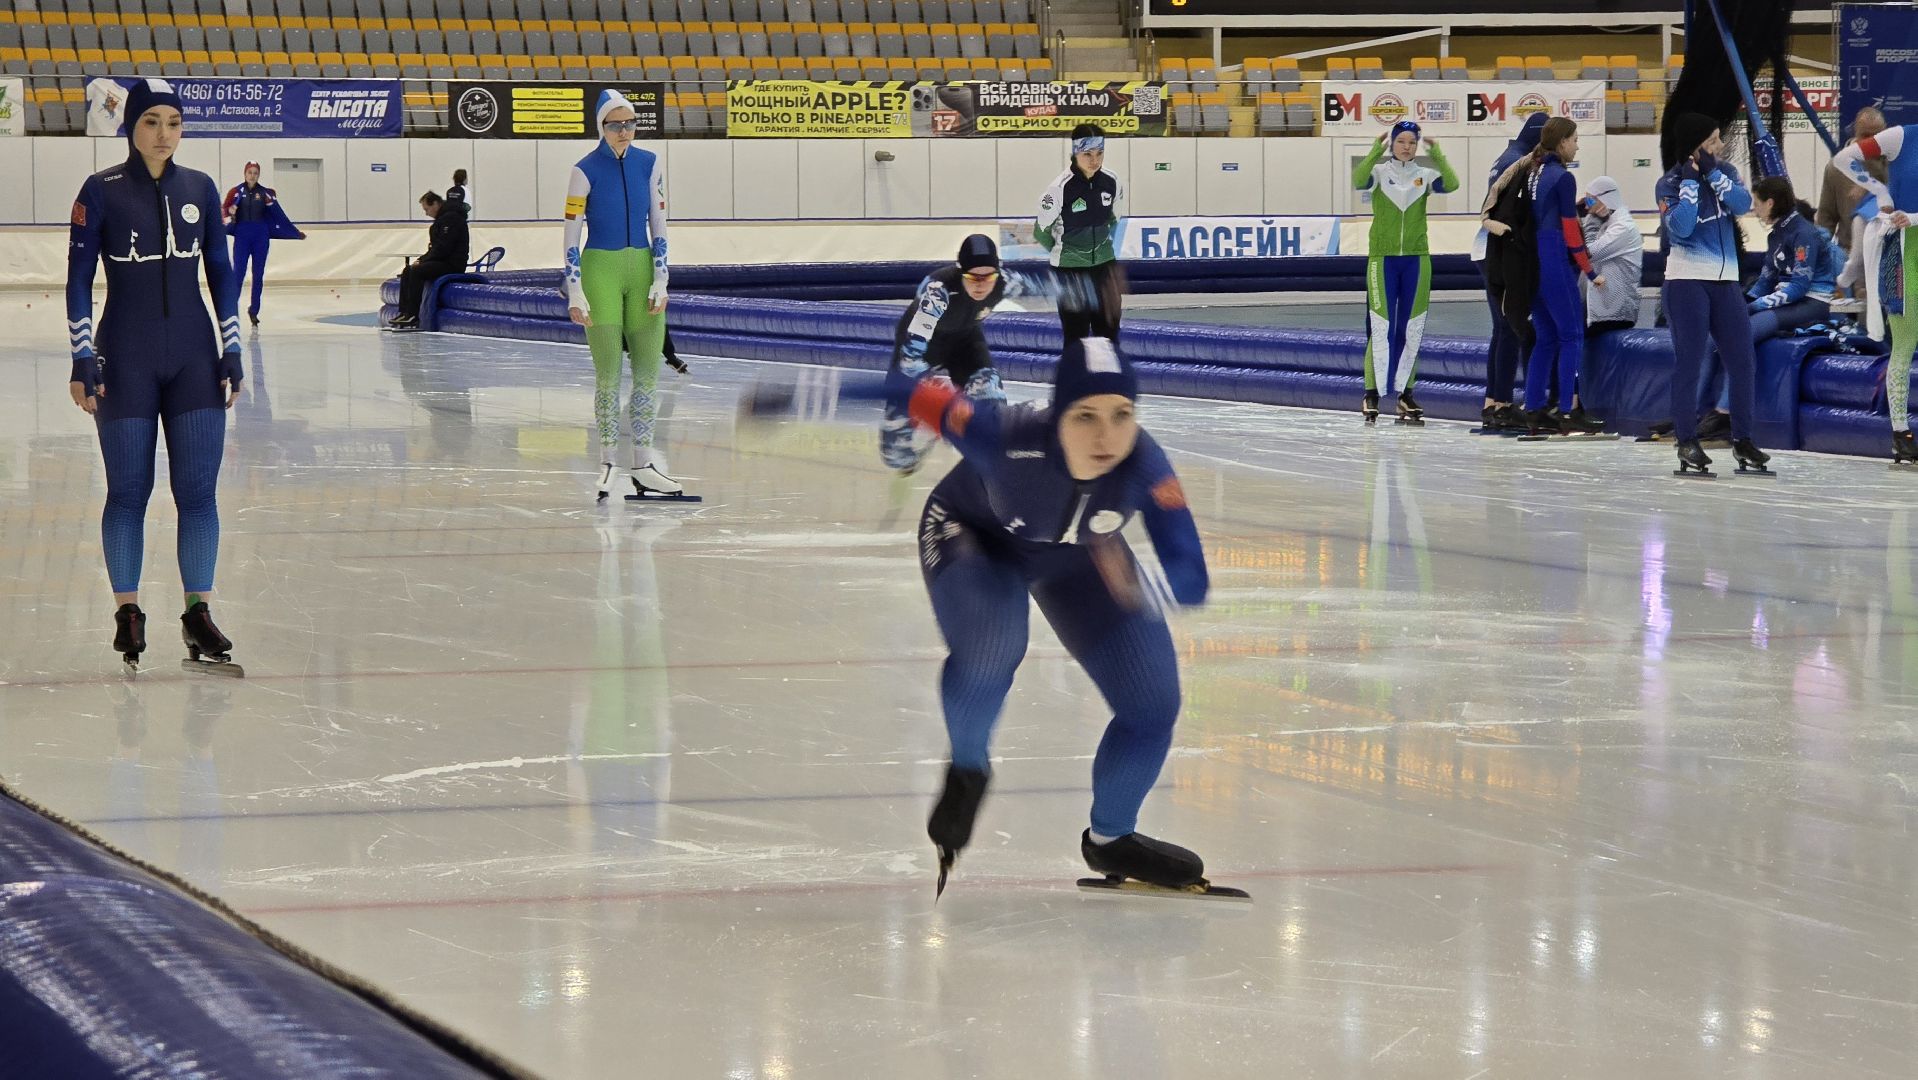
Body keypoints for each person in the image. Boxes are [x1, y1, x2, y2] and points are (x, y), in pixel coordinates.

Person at [892, 337, 1221, 894]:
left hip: (1081, 558)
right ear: (1056, 415)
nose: (1105, 436)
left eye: (1122, 416)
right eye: (1085, 416)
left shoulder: (1145, 463)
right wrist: (791, 397)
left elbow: (1191, 576)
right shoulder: (1002, 433)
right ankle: (968, 769)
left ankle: (1112, 838)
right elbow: (905, 391)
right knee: (994, 648)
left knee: (1153, 705)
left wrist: (1148, 592)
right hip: (974, 536)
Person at [65, 78, 244, 673]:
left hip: (194, 358)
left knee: (198, 495)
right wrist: (82, 358)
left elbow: (220, 270)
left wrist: (233, 348)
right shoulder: (102, 190)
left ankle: (198, 614)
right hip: (126, 357)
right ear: (130, 126)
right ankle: (129, 613)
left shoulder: (201, 186)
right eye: (150, 122)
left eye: (173, 122)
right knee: (127, 493)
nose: (163, 134)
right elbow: (77, 282)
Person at [878, 233, 1098, 474]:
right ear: (960, 271)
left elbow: (1042, 285)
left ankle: (985, 468)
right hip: (921, 349)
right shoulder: (938, 291)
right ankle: (904, 447)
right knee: (895, 456)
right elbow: (911, 355)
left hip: (965, 344)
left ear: (998, 272)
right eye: (973, 277)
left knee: (992, 414)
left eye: (988, 277)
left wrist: (1083, 289)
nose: (981, 284)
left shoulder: (1004, 281)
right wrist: (933, 395)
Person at [563, 90, 678, 500]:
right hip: (600, 273)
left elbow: (659, 223)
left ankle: (644, 463)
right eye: (616, 124)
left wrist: (661, 279)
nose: (624, 131)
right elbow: (572, 234)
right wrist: (574, 289)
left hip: (644, 268)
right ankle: (610, 461)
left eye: (630, 123)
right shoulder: (584, 170)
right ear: (601, 127)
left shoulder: (650, 163)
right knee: (608, 374)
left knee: (648, 372)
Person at [1690, 176, 1843, 439]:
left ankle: (1726, 414)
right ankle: (1693, 410)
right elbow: (1765, 280)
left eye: (1757, 203)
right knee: (1713, 335)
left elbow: (1798, 287)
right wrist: (1741, 302)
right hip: (1786, 299)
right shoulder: (1778, 233)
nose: (1754, 209)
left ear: (1770, 202)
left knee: (1740, 334)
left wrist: (1754, 307)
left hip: (1811, 302)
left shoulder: (1803, 233)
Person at [1658, 112, 1767, 475]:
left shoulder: (1728, 174)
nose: (1721, 145)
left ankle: (1743, 440)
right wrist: (1691, 181)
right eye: (1716, 139)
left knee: (1743, 361)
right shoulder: (1669, 183)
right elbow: (1683, 228)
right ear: (1699, 144)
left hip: (1726, 282)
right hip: (1686, 282)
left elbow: (1741, 204)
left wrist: (1713, 174)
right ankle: (1687, 440)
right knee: (1688, 363)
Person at [1352, 120, 1458, 424]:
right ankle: (1371, 393)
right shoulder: (1378, 172)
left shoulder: (1424, 176)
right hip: (1382, 259)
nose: (1407, 147)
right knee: (1381, 326)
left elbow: (1451, 184)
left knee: (1411, 327)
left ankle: (1405, 394)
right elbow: (1358, 180)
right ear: (1393, 144)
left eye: (1412, 142)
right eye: (1402, 142)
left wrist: (1437, 154)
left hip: (1416, 260)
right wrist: (1375, 151)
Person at [1833, 120, 1918, 463]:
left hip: (1909, 233)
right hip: (1901, 254)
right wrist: (1880, 192)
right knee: (1904, 343)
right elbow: (1844, 158)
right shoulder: (1901, 136)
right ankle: (1901, 433)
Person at [1518, 118, 1604, 435]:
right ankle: (1568, 410)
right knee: (1571, 336)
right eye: (1575, 139)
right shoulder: (1563, 177)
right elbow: (1569, 231)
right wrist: (1589, 269)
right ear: (1563, 142)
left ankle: (1533, 409)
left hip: (1532, 261)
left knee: (1546, 337)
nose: (1578, 145)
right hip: (1553, 257)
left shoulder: (1534, 172)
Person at [1475, 113, 1548, 430]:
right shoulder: (1517, 161)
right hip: (1498, 249)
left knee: (1501, 329)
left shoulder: (1507, 155)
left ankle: (1494, 402)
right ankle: (1502, 404)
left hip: (1485, 247)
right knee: (1510, 328)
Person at [1035, 122, 1125, 342]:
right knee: (1077, 339)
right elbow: (1042, 232)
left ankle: (1108, 378)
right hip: (1070, 272)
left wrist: (1102, 251)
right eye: (1087, 154)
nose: (1095, 160)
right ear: (1075, 153)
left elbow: (1113, 220)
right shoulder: (1058, 189)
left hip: (1105, 269)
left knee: (1110, 335)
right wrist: (1069, 253)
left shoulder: (1112, 181)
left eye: (1100, 153)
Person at [1819, 108, 1888, 311]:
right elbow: (1825, 217)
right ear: (1855, 133)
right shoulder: (1836, 168)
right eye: (1866, 136)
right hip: (1851, 255)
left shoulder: (1896, 162)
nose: (1872, 141)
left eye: (1878, 135)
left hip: (1890, 257)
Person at [221, 160, 305, 326]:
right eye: (250, 172)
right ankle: (231, 309)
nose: (252, 176)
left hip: (260, 236)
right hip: (242, 235)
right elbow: (223, 211)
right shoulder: (236, 192)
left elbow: (279, 214)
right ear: (245, 174)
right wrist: (229, 213)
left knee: (258, 275)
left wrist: (294, 232)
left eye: (255, 173)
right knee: (238, 274)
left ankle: (254, 311)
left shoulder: (266, 194)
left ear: (258, 175)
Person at [387, 190, 468, 331]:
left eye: (427, 209)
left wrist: (423, 261)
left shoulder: (451, 219)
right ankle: (405, 312)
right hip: (443, 260)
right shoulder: (442, 220)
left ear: (435, 204)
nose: (426, 213)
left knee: (417, 271)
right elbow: (437, 248)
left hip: (452, 264)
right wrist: (422, 259)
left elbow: (444, 248)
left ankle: (413, 315)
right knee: (408, 270)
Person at [1580, 176, 1643, 336]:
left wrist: (1590, 223)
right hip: (1600, 312)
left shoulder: (1623, 228)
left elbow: (1588, 254)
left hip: (1614, 314)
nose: (1588, 208)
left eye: (1591, 202)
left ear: (1605, 199)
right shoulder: (1607, 224)